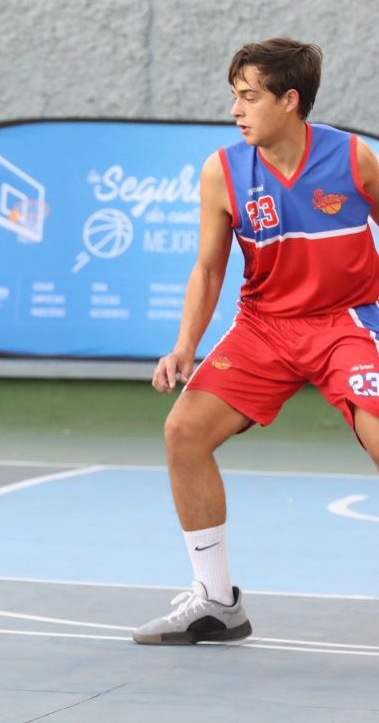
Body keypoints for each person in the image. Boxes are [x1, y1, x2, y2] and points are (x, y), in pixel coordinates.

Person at [136, 38, 379, 645]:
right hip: (264, 327)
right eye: (234, 97)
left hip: (345, 322)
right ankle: (217, 602)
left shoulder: (354, 159)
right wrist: (184, 345)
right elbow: (208, 269)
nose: (236, 110)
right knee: (184, 432)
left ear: (290, 100)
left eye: (249, 97)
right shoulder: (223, 171)